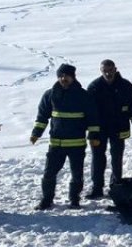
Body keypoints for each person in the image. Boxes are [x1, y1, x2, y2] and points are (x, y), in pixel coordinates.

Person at [31, 64, 100, 210]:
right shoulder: (49, 95)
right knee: (49, 173)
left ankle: (74, 199)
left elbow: (93, 118)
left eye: (66, 76)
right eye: (61, 76)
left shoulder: (83, 95)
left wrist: (94, 136)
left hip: (77, 144)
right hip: (56, 144)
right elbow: (42, 116)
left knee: (77, 175)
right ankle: (46, 200)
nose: (63, 78)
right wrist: (36, 133)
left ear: (73, 77)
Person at [85, 59, 132, 199]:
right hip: (99, 130)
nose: (108, 73)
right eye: (105, 71)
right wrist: (91, 133)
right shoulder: (94, 87)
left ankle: (116, 186)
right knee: (98, 158)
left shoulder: (126, 86)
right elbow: (88, 111)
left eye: (110, 70)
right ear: (101, 71)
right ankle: (97, 188)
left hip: (118, 128)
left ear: (115, 69)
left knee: (117, 158)